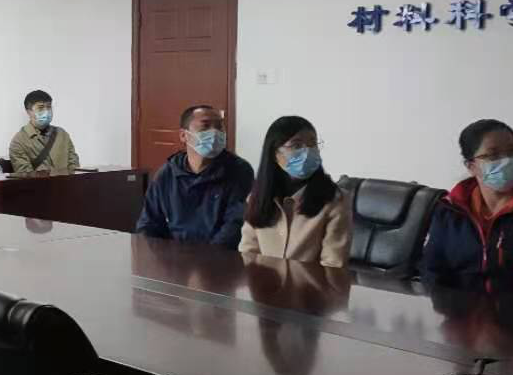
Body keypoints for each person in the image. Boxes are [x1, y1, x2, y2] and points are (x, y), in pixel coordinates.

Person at [420, 119, 513, 296]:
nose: (507, 161)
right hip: (460, 309)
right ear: (471, 166)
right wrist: (450, 304)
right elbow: (431, 267)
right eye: (493, 155)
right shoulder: (450, 209)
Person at [135, 104, 256, 249]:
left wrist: (205, 258)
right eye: (205, 126)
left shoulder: (239, 170)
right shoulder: (167, 174)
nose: (214, 133)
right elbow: (148, 224)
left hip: (220, 256)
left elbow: (235, 226)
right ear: (183, 135)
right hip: (173, 257)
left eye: (219, 127)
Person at [239, 115, 352, 267]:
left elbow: (333, 264)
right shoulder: (257, 197)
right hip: (263, 281)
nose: (307, 151)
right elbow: (248, 254)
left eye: (312, 144)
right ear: (275, 153)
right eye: (297, 145)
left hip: (313, 282)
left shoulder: (335, 199)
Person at [8, 90, 80, 174]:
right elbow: (26, 175)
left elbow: (74, 166)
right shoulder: (19, 142)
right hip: (40, 182)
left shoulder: (62, 134)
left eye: (49, 107)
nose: (46, 111)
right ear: (29, 111)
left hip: (67, 181)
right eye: (40, 108)